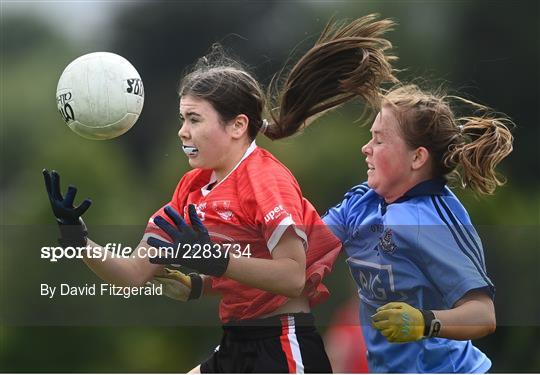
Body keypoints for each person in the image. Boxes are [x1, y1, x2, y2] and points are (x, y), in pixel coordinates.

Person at [43, 14, 397, 373]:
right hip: (235, 344)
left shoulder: (266, 179)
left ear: (237, 125)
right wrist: (77, 238)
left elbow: (292, 277)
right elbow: (133, 274)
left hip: (281, 347)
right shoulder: (192, 188)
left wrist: (216, 262)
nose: (182, 132)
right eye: (182, 119)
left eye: (194, 119)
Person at [323, 84, 513, 372]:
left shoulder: (434, 219)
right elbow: (303, 246)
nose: (366, 148)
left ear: (417, 158)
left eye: (379, 140)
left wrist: (423, 322)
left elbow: (483, 315)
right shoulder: (362, 201)